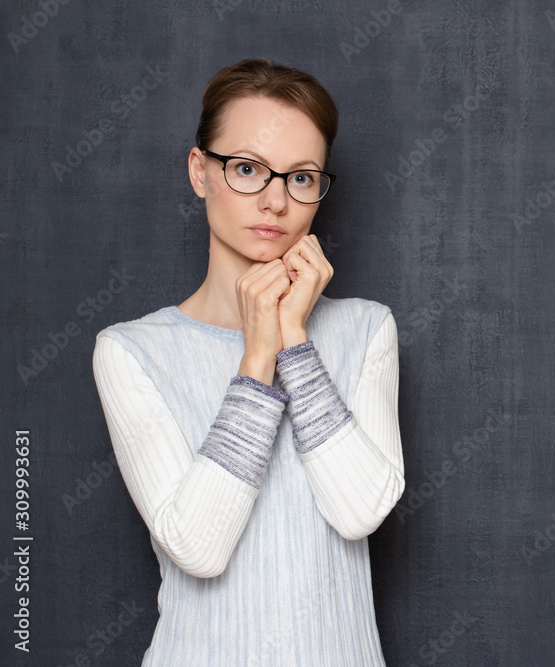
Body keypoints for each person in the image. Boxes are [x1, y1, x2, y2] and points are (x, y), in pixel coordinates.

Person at [91, 58, 404, 666]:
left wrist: (294, 343)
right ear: (200, 171)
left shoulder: (367, 329)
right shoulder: (131, 351)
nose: (275, 201)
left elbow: (359, 512)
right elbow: (198, 548)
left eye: (301, 177)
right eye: (246, 169)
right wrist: (257, 357)